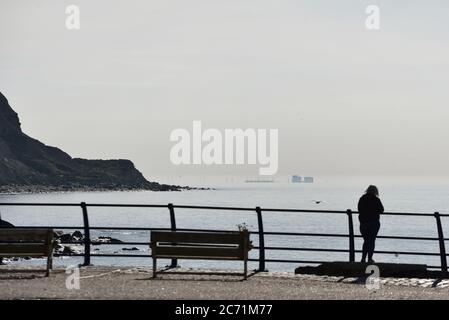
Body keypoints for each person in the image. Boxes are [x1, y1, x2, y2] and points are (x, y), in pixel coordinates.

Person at [358, 185, 384, 263]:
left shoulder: (362, 198)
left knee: (366, 241)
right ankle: (370, 258)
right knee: (372, 240)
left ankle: (363, 258)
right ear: (375, 191)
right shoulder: (376, 200)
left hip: (364, 223)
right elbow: (382, 210)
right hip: (373, 223)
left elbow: (359, 209)